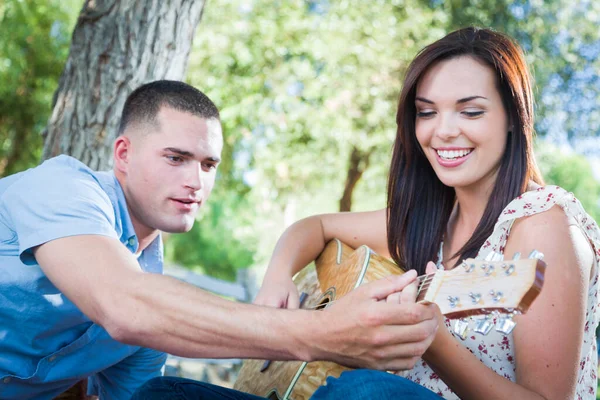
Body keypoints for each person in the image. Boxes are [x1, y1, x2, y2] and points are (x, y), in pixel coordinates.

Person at [135, 28, 600, 399]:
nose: (443, 131)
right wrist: (277, 278)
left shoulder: (544, 220)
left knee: (364, 389)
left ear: (513, 119)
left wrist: (434, 340)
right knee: (162, 391)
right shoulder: (428, 222)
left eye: (470, 112)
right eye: (426, 112)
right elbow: (312, 228)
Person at [0, 80, 439, 400]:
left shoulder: (153, 300)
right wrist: (322, 332)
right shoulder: (60, 186)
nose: (195, 181)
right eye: (176, 158)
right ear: (123, 155)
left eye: (209, 165)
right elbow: (123, 304)